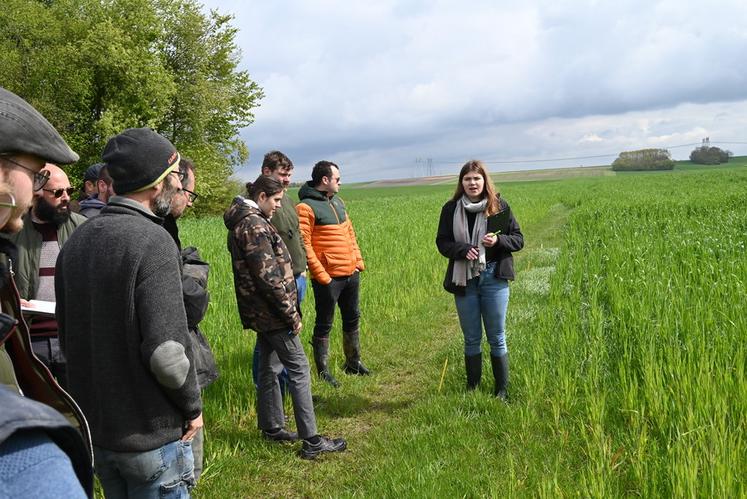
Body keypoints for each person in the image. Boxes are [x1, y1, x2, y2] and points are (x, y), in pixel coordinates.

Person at [56, 127, 203, 496]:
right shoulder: (154, 242)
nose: (178, 184)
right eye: (174, 177)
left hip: (100, 435)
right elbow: (167, 353)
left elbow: (67, 337)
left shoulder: (77, 241)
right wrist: (192, 406)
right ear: (155, 184)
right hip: (151, 436)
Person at [0, 86, 92, 496]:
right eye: (38, 175)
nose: (65, 198)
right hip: (33, 343)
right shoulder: (18, 238)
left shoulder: (81, 229)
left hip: (66, 339)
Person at [225, 175, 346, 459]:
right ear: (262, 197)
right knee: (300, 369)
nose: (280, 206)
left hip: (262, 313)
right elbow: (269, 278)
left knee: (269, 368)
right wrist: (291, 314)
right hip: (273, 314)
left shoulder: (245, 221)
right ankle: (312, 440)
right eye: (277, 200)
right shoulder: (253, 224)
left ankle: (272, 427)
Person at [436, 160, 524, 400]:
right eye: (467, 179)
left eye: (476, 178)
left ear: (485, 180)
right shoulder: (451, 208)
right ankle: (472, 389)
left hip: (494, 277)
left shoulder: (499, 207)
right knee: (471, 337)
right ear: (461, 182)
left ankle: (502, 391)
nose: (472, 183)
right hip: (465, 280)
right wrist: (461, 249)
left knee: (497, 336)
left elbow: (518, 239)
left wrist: (499, 241)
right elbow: (442, 242)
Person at [1, 163, 86, 385]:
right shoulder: (12, 232)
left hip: (72, 339)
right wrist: (10, 301)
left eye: (70, 191)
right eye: (58, 192)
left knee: (79, 407)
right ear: (36, 193)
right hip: (28, 341)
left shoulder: (84, 230)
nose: (66, 197)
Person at [163, 157, 218, 482]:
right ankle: (186, 480)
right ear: (174, 184)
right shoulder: (157, 230)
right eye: (190, 193)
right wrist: (196, 289)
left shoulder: (165, 225)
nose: (190, 201)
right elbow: (186, 301)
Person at [296, 160, 370, 388]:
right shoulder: (305, 207)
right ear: (325, 180)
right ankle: (323, 370)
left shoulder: (338, 202)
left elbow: (350, 235)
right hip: (328, 278)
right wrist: (322, 275)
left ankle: (353, 362)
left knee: (352, 317)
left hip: (350, 273)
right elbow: (304, 244)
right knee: (324, 323)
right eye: (337, 178)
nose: (339, 182)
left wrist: (357, 262)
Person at [251, 151, 307, 393]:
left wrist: (303, 269)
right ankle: (270, 391)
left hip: (296, 277)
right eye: (283, 174)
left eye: (289, 175)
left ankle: (286, 387)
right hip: (276, 282)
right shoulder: (257, 204)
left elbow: (298, 234)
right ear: (266, 171)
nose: (286, 180)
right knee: (271, 340)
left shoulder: (286, 199)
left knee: (286, 337)